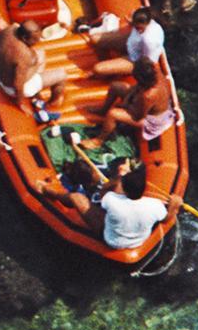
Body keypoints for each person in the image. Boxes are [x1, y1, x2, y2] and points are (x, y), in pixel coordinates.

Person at [51, 151, 182, 252]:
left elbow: (103, 191)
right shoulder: (155, 205)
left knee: (76, 197)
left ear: (125, 189)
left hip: (112, 240)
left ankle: (47, 192)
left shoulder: (112, 200)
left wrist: (117, 179)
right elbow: (167, 218)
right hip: (138, 241)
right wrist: (174, 206)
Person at [86, 59, 177, 145]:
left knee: (113, 114)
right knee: (115, 86)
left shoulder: (148, 96)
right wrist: (130, 97)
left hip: (151, 120)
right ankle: (103, 110)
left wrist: (127, 106)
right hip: (141, 102)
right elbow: (137, 87)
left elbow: (139, 116)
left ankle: (99, 140)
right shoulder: (155, 74)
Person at [0, 20, 67, 120]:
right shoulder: (24, 55)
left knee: (40, 54)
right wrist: (20, 104)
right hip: (11, 88)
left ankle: (37, 88)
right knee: (62, 74)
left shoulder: (10, 29)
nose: (38, 41)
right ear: (24, 38)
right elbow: (18, 84)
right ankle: (52, 103)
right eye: (35, 40)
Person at [89, 4, 166, 78]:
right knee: (94, 38)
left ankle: (107, 74)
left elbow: (148, 62)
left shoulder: (150, 41)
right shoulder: (142, 17)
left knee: (98, 69)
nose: (137, 30)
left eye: (140, 28)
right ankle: (107, 62)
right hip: (131, 42)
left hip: (137, 59)